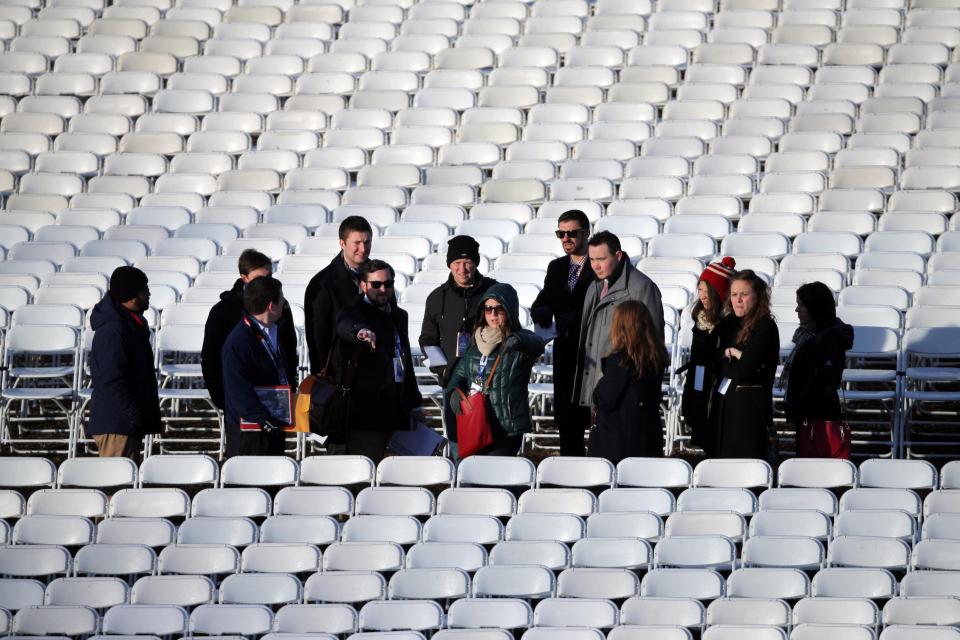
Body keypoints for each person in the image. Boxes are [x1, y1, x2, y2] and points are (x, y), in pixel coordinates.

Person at [335, 259, 422, 463]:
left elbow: (405, 362)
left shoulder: (399, 316)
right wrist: (360, 332)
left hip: (398, 409)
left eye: (388, 284)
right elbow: (345, 325)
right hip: (367, 414)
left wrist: (414, 404)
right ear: (363, 286)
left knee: (398, 478)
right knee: (365, 474)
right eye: (376, 285)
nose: (383, 289)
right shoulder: (352, 311)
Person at [447, 283, 545, 456]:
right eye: (488, 308)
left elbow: (536, 344)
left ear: (509, 310)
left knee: (496, 476)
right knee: (475, 477)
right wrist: (455, 391)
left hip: (506, 425)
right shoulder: (476, 340)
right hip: (476, 420)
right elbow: (459, 373)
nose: (492, 314)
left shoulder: (518, 340)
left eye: (499, 309)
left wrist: (518, 340)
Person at [419, 235, 497, 453]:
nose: (462, 269)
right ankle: (462, 483)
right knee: (458, 444)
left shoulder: (494, 292)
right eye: (456, 263)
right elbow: (427, 339)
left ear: (476, 262)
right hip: (454, 385)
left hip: (490, 383)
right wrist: (443, 370)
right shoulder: (436, 298)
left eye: (468, 262)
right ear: (450, 265)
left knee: (491, 442)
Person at [573, 231, 664, 412]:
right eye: (591, 260)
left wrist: (643, 397)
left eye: (601, 259)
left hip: (626, 397)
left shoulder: (643, 288)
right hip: (600, 391)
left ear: (618, 255)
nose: (596, 265)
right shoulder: (594, 286)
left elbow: (654, 348)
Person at [530, 209, 597, 456]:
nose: (566, 238)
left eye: (572, 233)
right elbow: (543, 299)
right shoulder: (557, 267)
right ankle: (571, 477)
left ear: (587, 233)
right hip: (566, 352)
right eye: (561, 233)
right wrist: (541, 310)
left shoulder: (599, 264)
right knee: (568, 424)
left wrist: (574, 319)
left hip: (594, 351)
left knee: (597, 420)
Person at [201, 249, 298, 412]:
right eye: (260, 278)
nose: (266, 282)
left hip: (276, 397)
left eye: (269, 277)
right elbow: (211, 357)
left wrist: (289, 385)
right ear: (244, 278)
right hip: (238, 401)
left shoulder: (280, 304)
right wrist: (221, 398)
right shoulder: (223, 311)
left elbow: (288, 347)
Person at [87, 266, 161, 461]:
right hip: (117, 425)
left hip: (123, 423)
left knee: (124, 486)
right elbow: (111, 379)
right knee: (116, 488)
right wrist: (133, 414)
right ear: (131, 297)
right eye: (144, 289)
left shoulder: (126, 323)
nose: (149, 293)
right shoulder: (114, 330)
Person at [711, 270, 780, 460]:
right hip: (725, 405)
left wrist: (727, 360)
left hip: (750, 408)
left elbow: (744, 371)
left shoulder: (766, 327)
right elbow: (709, 358)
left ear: (758, 296)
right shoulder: (728, 323)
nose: (738, 300)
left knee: (746, 467)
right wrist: (732, 356)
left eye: (744, 294)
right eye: (734, 294)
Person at [589, 301, 669, 463]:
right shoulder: (656, 357)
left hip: (619, 442)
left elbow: (605, 399)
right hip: (647, 436)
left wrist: (597, 390)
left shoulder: (620, 361)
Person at [221, 276, 292, 458]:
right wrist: (265, 421)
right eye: (281, 298)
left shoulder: (272, 331)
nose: (284, 302)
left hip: (271, 423)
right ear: (271, 305)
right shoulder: (239, 342)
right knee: (248, 485)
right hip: (251, 432)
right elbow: (238, 391)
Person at [783, 281, 854, 448]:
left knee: (817, 457)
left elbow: (825, 381)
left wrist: (802, 399)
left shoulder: (827, 339)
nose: (796, 310)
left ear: (814, 308)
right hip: (809, 411)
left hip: (819, 413)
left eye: (801, 305)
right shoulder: (810, 335)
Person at [680, 257, 737, 456]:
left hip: (716, 381)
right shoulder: (700, 318)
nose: (702, 295)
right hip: (698, 375)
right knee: (696, 413)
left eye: (707, 290)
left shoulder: (729, 320)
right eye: (700, 289)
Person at [304, 215, 372, 374]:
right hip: (340, 375)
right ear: (342, 243)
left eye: (367, 242)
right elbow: (317, 337)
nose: (363, 248)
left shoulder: (381, 276)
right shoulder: (322, 283)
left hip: (377, 373)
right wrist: (322, 375)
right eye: (357, 243)